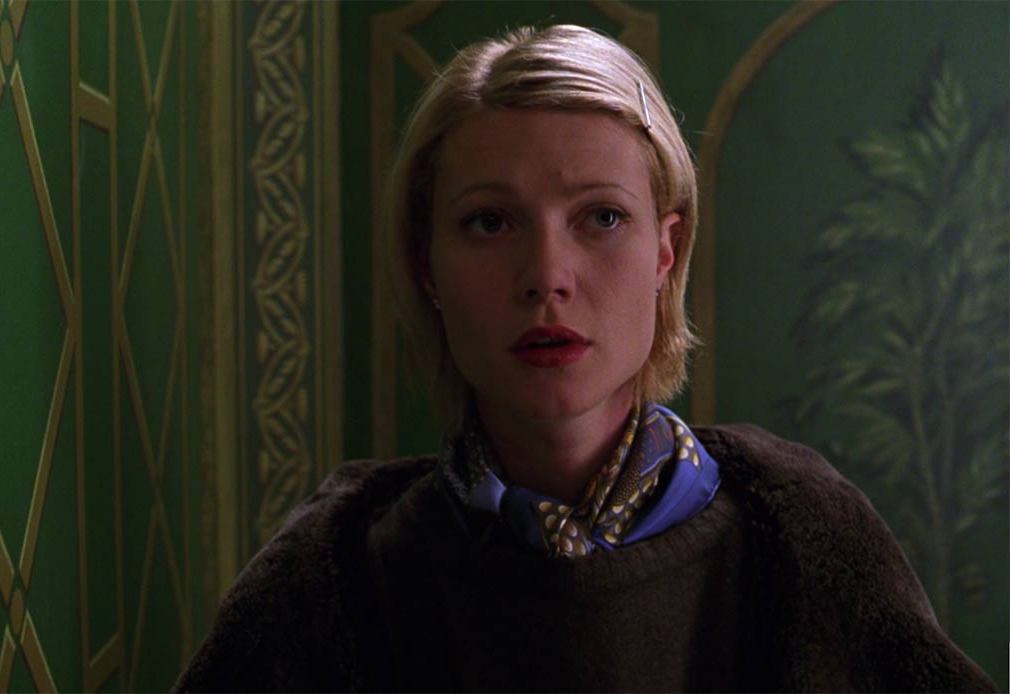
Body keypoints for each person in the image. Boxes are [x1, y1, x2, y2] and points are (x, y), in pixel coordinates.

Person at [175, 24, 994, 692]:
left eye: (601, 218)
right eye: (490, 223)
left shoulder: (799, 531)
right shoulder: (336, 569)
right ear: (427, 266)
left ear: (666, 251)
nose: (547, 277)